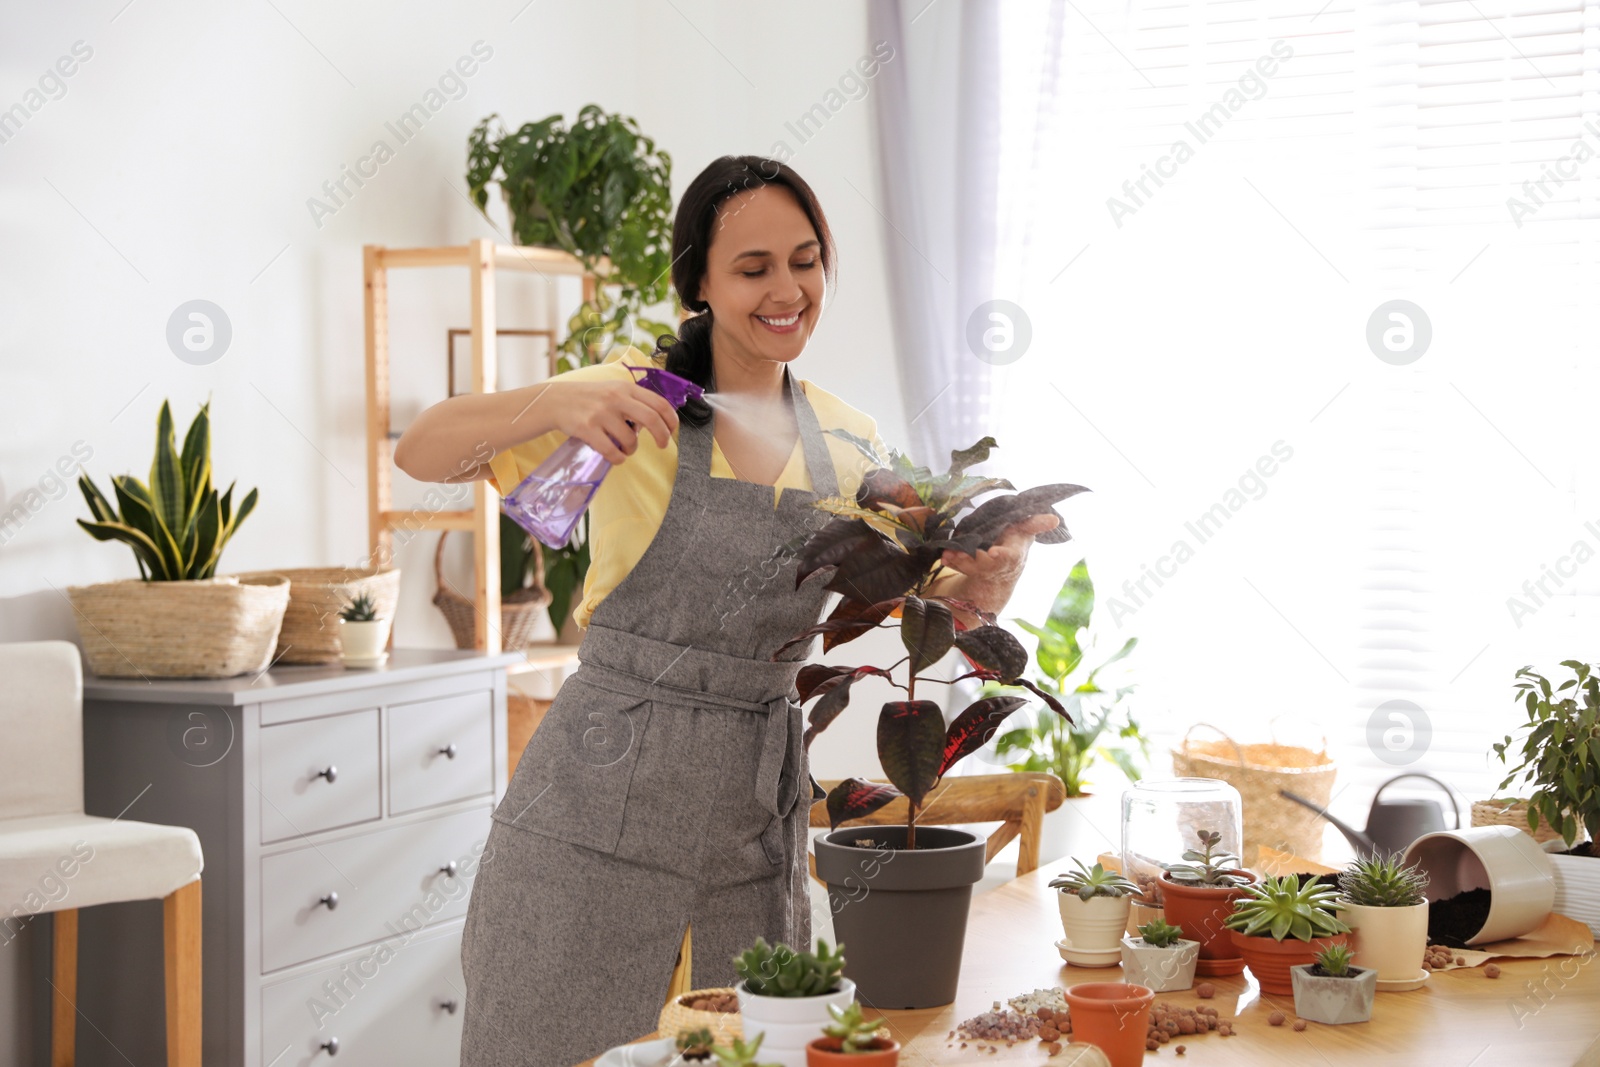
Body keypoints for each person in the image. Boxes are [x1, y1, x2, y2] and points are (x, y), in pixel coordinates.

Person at [394, 155, 1058, 1067]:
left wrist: (996, 566)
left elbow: (934, 605)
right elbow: (422, 451)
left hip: (751, 818)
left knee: (761, 1051)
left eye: (805, 259)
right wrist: (561, 396)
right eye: (752, 268)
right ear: (698, 282)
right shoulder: (630, 403)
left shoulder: (850, 439)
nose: (786, 289)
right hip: (589, 817)